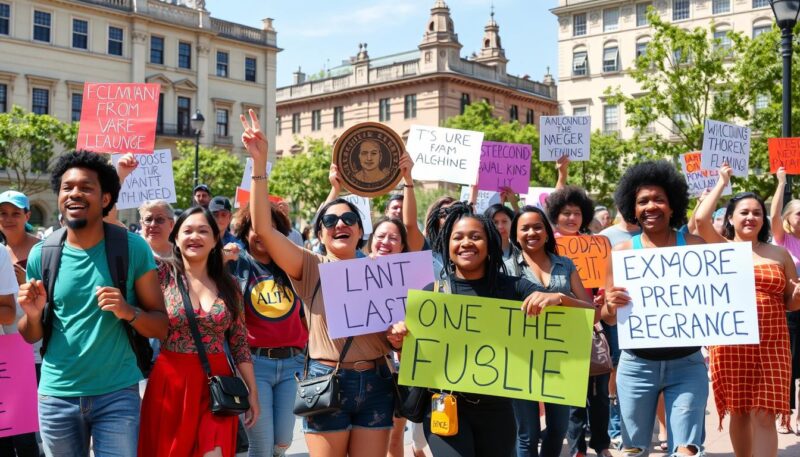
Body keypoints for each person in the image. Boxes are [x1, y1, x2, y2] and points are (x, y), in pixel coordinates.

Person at [242, 109, 397, 457]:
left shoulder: (382, 270)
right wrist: (259, 165)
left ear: (360, 230)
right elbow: (264, 229)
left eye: (348, 219)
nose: (339, 223)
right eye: (330, 219)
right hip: (327, 381)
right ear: (322, 233)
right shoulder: (309, 266)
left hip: (377, 382)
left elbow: (395, 329)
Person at [388, 202, 592, 457]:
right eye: (458, 237)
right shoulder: (433, 295)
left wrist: (560, 299)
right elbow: (415, 359)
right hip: (446, 407)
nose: (466, 243)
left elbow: (588, 316)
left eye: (476, 237)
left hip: (499, 411)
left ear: (490, 244)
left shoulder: (514, 289)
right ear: (447, 246)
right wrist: (400, 341)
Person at [17, 151, 168, 457]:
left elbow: (161, 325)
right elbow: (30, 335)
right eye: (67, 187)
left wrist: (128, 311)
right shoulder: (42, 254)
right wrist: (33, 316)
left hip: (117, 396)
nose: (74, 193)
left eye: (86, 187)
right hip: (56, 397)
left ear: (105, 198)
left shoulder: (132, 247)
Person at [603, 160, 707, 457]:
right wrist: (610, 304)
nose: (651, 206)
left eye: (658, 199)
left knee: (687, 449)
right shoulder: (621, 253)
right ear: (632, 210)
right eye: (642, 201)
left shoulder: (696, 247)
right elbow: (609, 317)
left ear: (672, 205)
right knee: (633, 449)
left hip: (687, 364)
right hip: (636, 366)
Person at [138, 206, 259, 456]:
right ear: (176, 238)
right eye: (188, 230)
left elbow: (239, 343)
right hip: (170, 384)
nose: (195, 236)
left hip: (217, 386)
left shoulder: (231, 285)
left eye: (203, 231)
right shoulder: (160, 277)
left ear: (216, 240)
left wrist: (252, 393)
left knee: (212, 451)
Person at [696, 164, 799, 457]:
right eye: (744, 212)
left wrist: (799, 294)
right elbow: (702, 218)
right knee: (739, 410)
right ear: (731, 218)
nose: (751, 217)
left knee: (765, 412)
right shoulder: (721, 247)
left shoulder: (779, 254)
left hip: (773, 342)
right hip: (731, 342)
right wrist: (722, 181)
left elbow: (791, 302)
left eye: (756, 212)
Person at [505, 205, 595, 457]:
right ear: (516, 234)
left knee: (558, 428)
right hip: (520, 362)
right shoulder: (505, 268)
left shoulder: (565, 265)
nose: (532, 232)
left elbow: (592, 311)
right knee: (527, 434)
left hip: (562, 359)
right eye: (525, 228)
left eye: (537, 226)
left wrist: (561, 298)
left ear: (547, 232)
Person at [222, 202, 308, 457]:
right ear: (246, 232)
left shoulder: (291, 266)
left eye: (270, 228)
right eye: (256, 228)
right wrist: (221, 258)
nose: (262, 234)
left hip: (292, 364)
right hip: (253, 365)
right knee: (261, 444)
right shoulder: (236, 266)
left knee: (282, 440)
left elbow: (305, 314)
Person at [0, 190, 43, 457]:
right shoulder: (1, 252)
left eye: (16, 213)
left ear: (27, 216)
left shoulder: (41, 248)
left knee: (26, 433)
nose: (8, 219)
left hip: (35, 347)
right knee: (6, 428)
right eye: (3, 214)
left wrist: (27, 280)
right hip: (7, 347)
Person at [771, 167, 800, 434]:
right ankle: (785, 415)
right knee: (787, 364)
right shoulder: (783, 240)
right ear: (789, 218)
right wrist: (781, 183)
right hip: (790, 309)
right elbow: (773, 216)